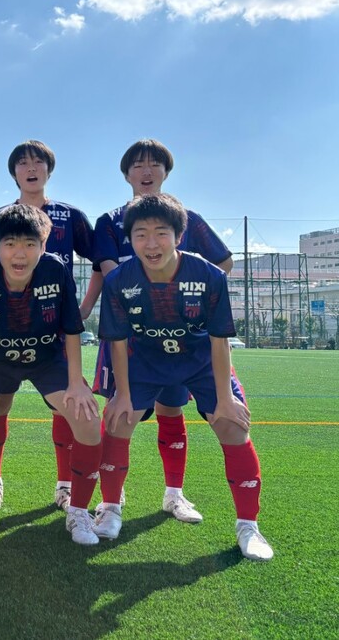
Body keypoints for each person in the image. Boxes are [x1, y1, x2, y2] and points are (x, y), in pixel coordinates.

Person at [95, 193, 272, 561]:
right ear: (131, 240)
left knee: (232, 425)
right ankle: (110, 507)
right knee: (117, 419)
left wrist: (225, 398)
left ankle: (248, 526)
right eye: (141, 235)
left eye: (161, 233)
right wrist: (122, 394)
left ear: (178, 235)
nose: (151, 243)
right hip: (146, 359)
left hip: (199, 359)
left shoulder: (208, 275)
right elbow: (118, 341)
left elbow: (219, 340)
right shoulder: (119, 281)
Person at [92, 139, 234, 523]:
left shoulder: (186, 218)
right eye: (138, 165)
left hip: (182, 338)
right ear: (126, 174)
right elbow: (111, 275)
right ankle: (111, 500)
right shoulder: (109, 221)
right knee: (118, 413)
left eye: (155, 164)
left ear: (166, 172)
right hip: (130, 334)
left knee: (172, 408)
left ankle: (174, 495)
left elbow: (223, 264)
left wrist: (189, 301)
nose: (147, 171)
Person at [0, 204, 102, 542]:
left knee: (88, 418)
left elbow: (72, 329)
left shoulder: (56, 269)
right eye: (11, 244)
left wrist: (76, 384)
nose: (20, 253)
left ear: (43, 246)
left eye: (30, 244)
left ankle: (78, 512)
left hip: (46, 358)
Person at [0, 140, 97, 512]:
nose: (31, 168)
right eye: (23, 163)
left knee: (67, 408)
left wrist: (84, 306)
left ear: (49, 169)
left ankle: (66, 487)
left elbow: (101, 261)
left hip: (51, 332)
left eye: (38, 162)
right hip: (2, 334)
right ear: (14, 172)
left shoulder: (70, 216)